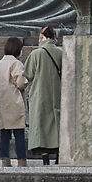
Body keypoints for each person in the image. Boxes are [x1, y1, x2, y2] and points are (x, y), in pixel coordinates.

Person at [25, 27, 64, 165]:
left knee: (41, 125)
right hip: (59, 93)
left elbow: (28, 74)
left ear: (42, 37)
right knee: (58, 123)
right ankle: (59, 154)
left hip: (40, 94)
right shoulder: (61, 52)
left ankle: (45, 158)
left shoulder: (36, 54)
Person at [0, 37, 30, 166]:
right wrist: (26, 82)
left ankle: (5, 160)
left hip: (0, 103)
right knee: (18, 133)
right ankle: (22, 161)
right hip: (14, 102)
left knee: (4, 134)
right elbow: (20, 82)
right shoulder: (16, 63)